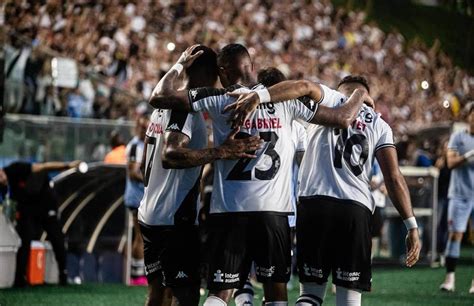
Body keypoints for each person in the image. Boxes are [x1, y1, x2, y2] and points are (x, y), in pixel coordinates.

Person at [150, 44, 372, 306]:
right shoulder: (288, 102)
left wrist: (180, 63)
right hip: (273, 214)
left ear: (223, 71)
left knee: (220, 294)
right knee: (276, 294)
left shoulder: (219, 97)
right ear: (252, 67)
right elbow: (342, 118)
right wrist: (359, 95)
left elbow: (159, 97)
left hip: (229, 211)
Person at [227, 75, 421, 306]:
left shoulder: (327, 100)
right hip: (354, 209)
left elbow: (303, 86)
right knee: (348, 299)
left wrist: (259, 96)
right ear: (367, 95)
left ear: (340, 90)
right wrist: (411, 225)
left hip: (313, 205)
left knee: (310, 295)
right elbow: (393, 177)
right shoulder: (379, 124)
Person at [138, 45, 261, 306]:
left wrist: (179, 63)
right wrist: (220, 152)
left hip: (149, 211)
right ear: (213, 72)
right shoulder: (185, 109)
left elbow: (144, 164)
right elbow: (170, 155)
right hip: (173, 219)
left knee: (157, 295)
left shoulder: (159, 111)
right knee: (186, 296)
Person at [0, 160, 81, 287]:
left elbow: (44, 167)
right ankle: (20, 279)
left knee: (57, 239)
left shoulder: (15, 169)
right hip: (27, 211)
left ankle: (63, 275)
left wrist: (67, 165)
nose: (2, 180)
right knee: (24, 241)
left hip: (45, 205)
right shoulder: (4, 186)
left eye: (0, 177)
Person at [439, 103, 474, 293]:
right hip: (459, 194)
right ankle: (449, 279)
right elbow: (450, 162)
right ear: (468, 116)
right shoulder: (458, 137)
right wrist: (469, 155)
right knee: (455, 235)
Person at [124, 114, 149, 286]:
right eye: (141, 127)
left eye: (146, 127)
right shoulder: (134, 146)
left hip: (143, 196)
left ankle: (138, 271)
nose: (143, 130)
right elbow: (133, 173)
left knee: (143, 236)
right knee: (140, 236)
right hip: (136, 197)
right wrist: (153, 179)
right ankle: (136, 275)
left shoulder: (146, 144)